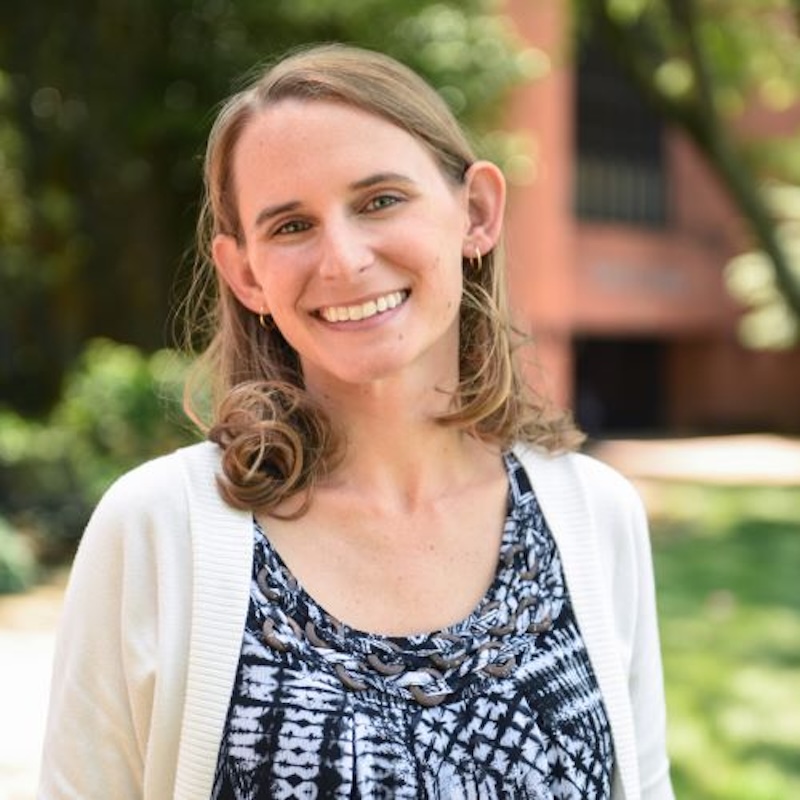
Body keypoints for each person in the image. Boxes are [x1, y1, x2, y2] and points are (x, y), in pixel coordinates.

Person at [38, 44, 674, 799]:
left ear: (476, 213)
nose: (342, 259)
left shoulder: (595, 517)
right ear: (245, 274)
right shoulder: (155, 530)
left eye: (379, 201)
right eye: (290, 226)